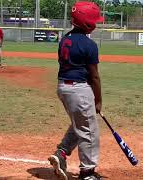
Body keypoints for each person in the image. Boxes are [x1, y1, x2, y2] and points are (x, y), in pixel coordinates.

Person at [48, 1, 103, 180]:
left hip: (63, 87)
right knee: (89, 132)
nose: (96, 24)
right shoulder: (89, 45)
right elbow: (94, 76)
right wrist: (98, 100)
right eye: (94, 21)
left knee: (80, 123)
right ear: (87, 23)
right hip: (78, 89)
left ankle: (62, 152)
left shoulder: (66, 39)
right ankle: (87, 173)